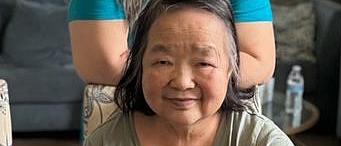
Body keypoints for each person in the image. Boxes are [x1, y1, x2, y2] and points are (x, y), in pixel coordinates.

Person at [52, 0, 317, 146]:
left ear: (231, 68)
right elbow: (101, 63)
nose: (181, 81)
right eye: (163, 62)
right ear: (140, 66)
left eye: (203, 62)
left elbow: (261, 60)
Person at [67, 0, 275, 90]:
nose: (183, 83)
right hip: (128, 133)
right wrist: (203, 70)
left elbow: (259, 62)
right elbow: (104, 66)